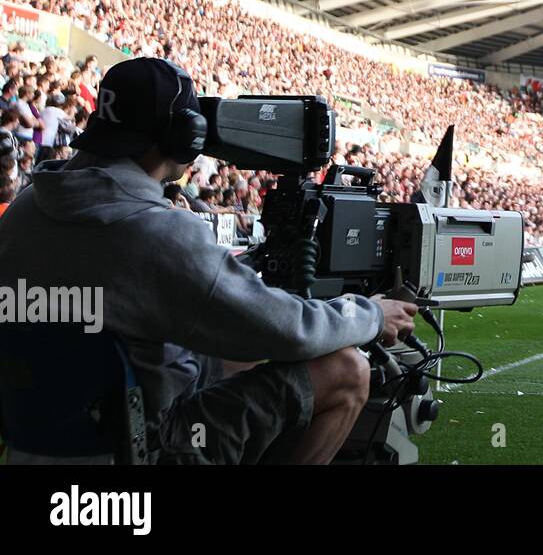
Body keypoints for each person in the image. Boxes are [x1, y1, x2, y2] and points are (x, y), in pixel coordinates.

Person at [0, 57, 418, 464]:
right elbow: (292, 330)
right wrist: (374, 315)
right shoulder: (155, 233)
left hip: (36, 439)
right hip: (142, 446)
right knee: (347, 369)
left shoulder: (26, 209)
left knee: (242, 355)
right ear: (183, 137)